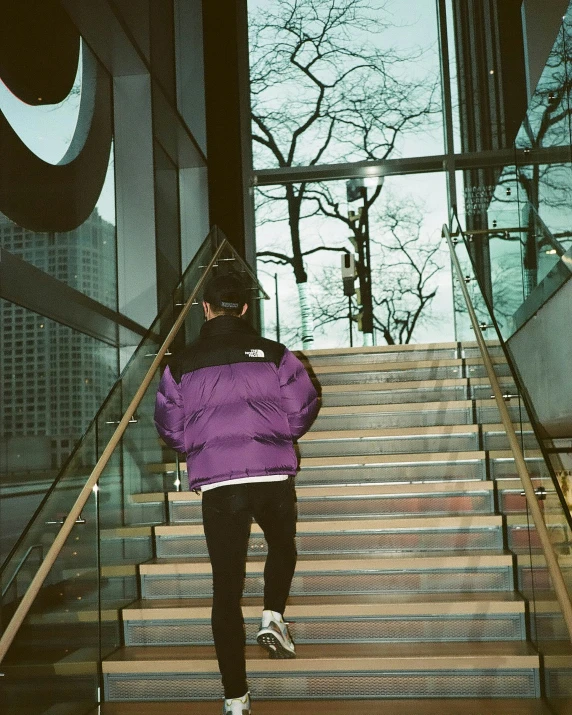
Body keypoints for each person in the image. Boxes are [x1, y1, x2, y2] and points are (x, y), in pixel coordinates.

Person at [154, 272, 319, 715]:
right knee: (282, 544)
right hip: (272, 478)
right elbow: (303, 408)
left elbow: (170, 429)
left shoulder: (180, 364)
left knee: (225, 590)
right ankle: (273, 617)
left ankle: (236, 699)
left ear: (205, 309)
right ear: (245, 309)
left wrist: (203, 444)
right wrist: (277, 434)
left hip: (221, 486)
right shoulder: (275, 354)